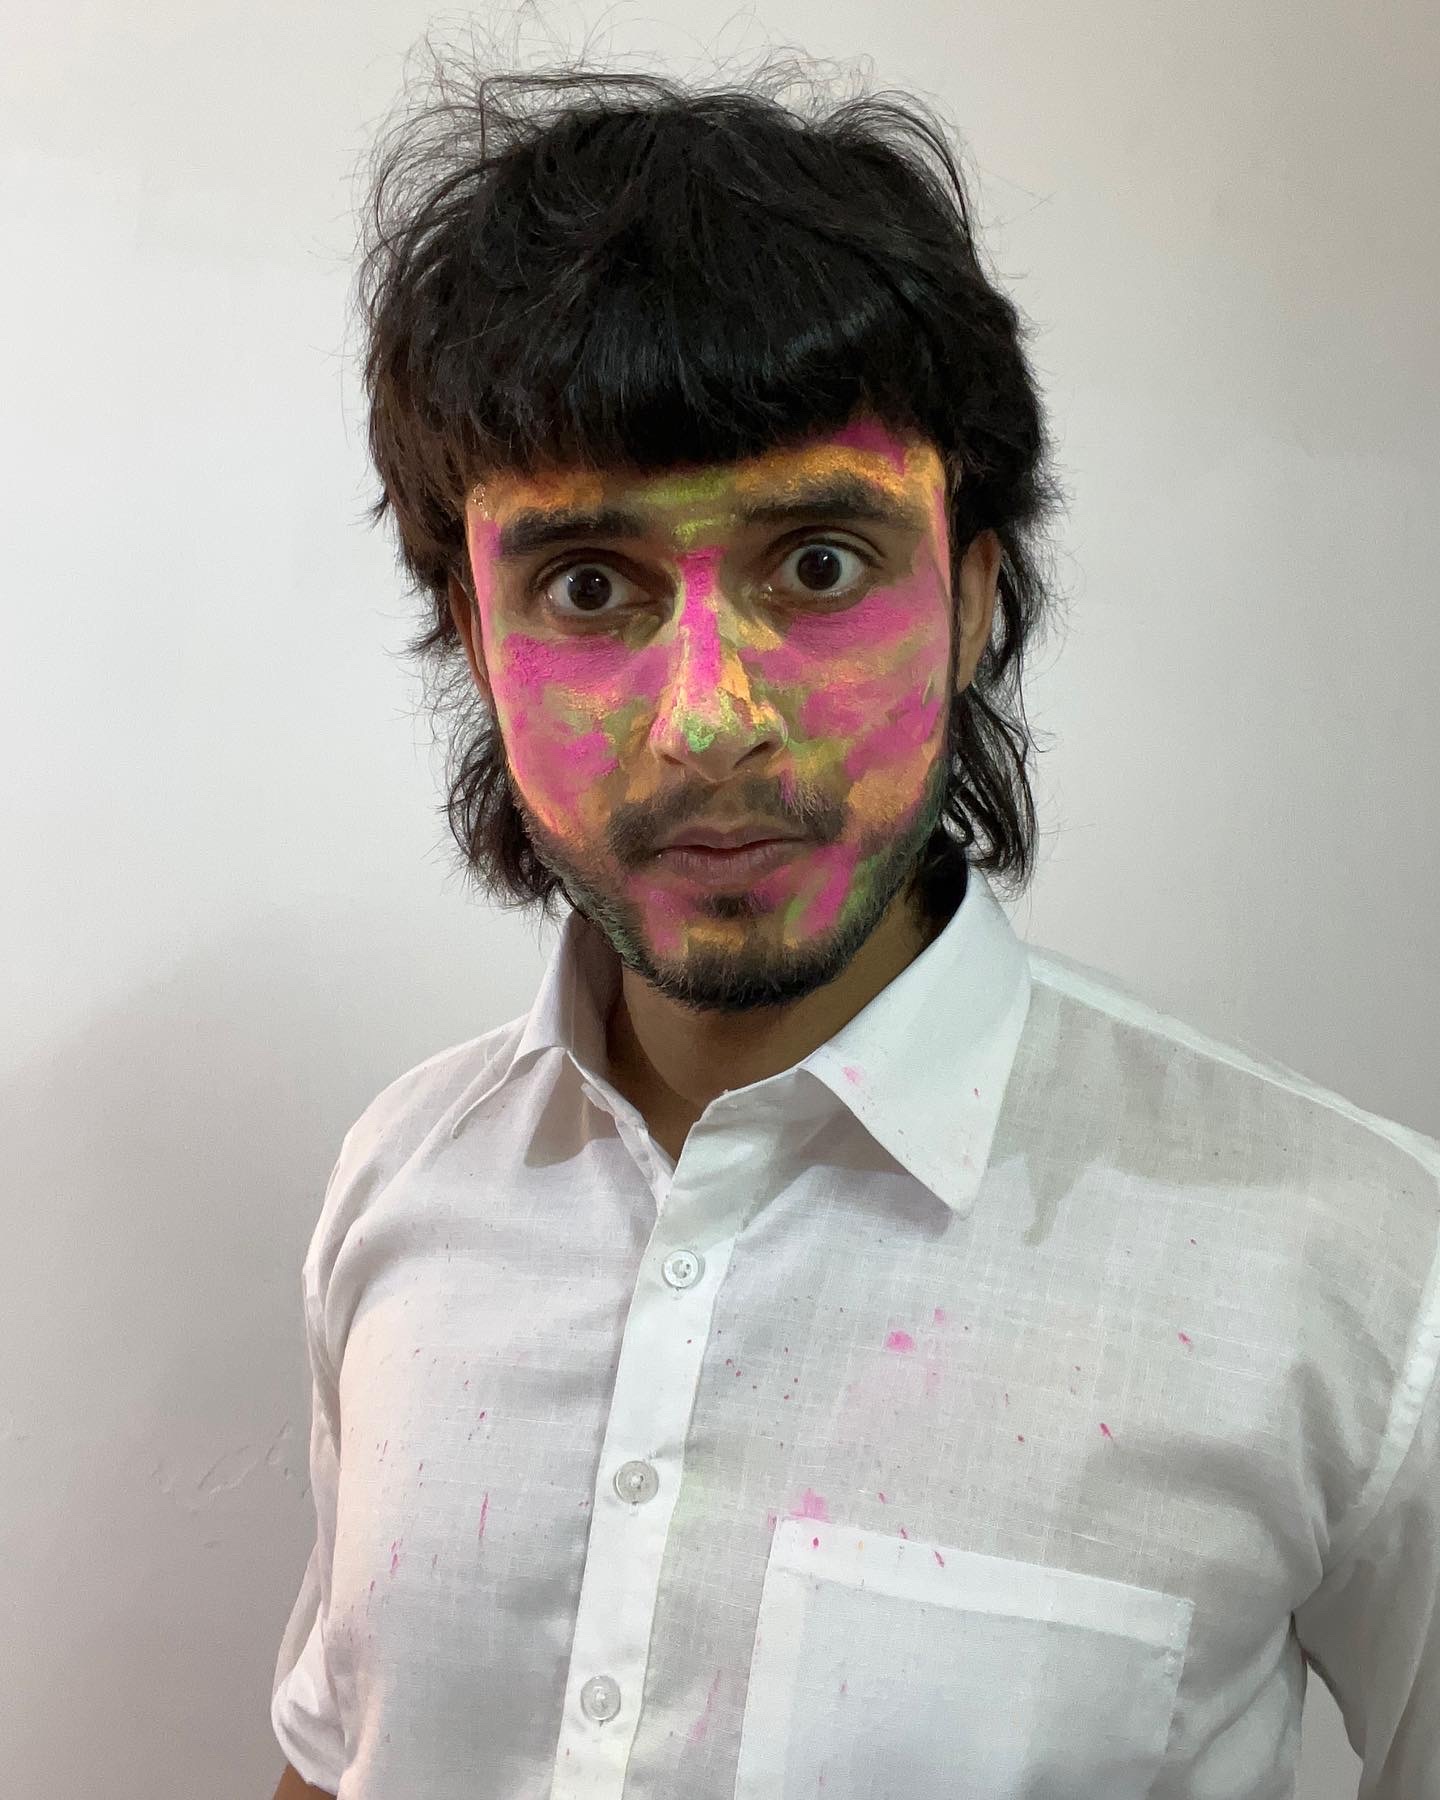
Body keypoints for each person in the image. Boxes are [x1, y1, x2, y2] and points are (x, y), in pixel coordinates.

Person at [269, 50, 1440, 1800]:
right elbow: (338, 1748)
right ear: (475, 631)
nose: (707, 722)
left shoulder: (1361, 1272)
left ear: (971, 597)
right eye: (587, 585)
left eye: (817, 563)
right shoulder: (402, 1182)